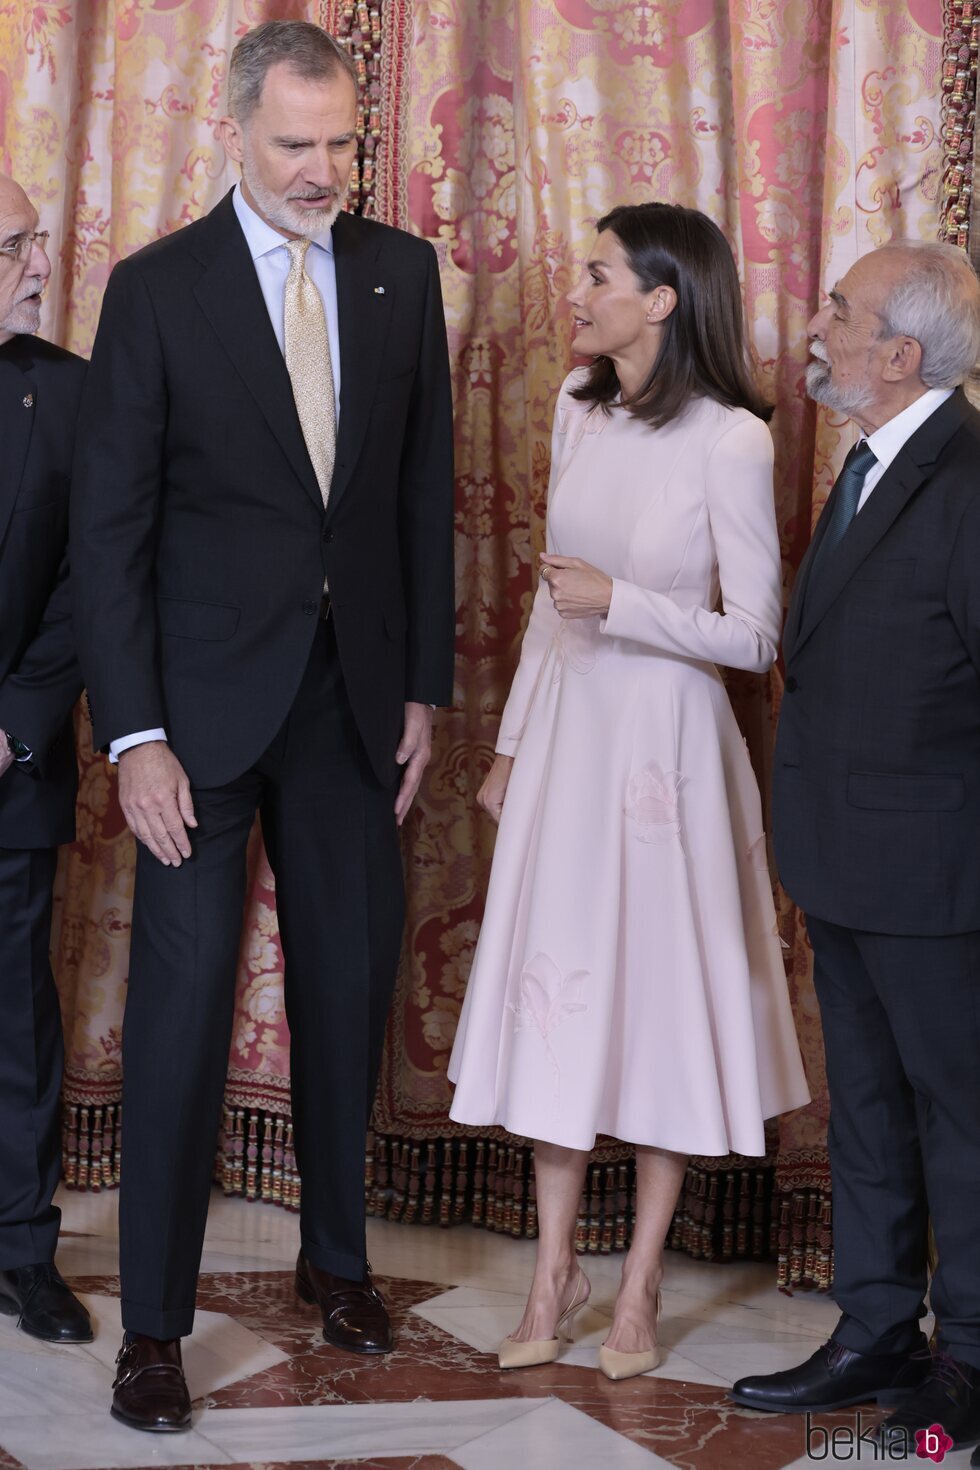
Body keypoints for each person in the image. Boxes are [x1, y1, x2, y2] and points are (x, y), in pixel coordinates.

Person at [70, 20, 454, 1432]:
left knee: (345, 992)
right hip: (196, 719)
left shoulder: (401, 273)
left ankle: (339, 1264)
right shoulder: (156, 289)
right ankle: (156, 1328)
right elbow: (110, 536)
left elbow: (424, 492)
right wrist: (136, 735)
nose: (322, 169)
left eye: (342, 142)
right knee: (180, 1017)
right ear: (233, 134)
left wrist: (419, 682)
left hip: (352, 703)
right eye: (295, 144)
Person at [448, 202, 809, 1381]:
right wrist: (510, 742)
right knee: (561, 1011)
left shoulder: (731, 440)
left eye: (598, 273)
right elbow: (556, 599)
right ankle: (554, 1277)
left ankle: (641, 1285)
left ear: (662, 299)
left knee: (654, 1011)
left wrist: (627, 603)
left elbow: (755, 636)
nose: (578, 288)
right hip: (568, 734)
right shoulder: (575, 404)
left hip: (666, 753)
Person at [730, 242, 980, 1455]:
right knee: (868, 1113)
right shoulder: (870, 463)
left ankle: (971, 1360)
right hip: (844, 862)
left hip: (939, 878)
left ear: (901, 354)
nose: (815, 324)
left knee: (961, 1117)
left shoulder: (970, 479)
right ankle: (873, 1331)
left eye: (840, 310)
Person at [0, 173, 92, 1345]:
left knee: (15, 1016)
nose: (37, 265)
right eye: (13, 245)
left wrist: (17, 720)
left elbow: (92, 579)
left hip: (12, 766)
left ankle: (22, 1248)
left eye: (34, 241)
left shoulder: (69, 396)